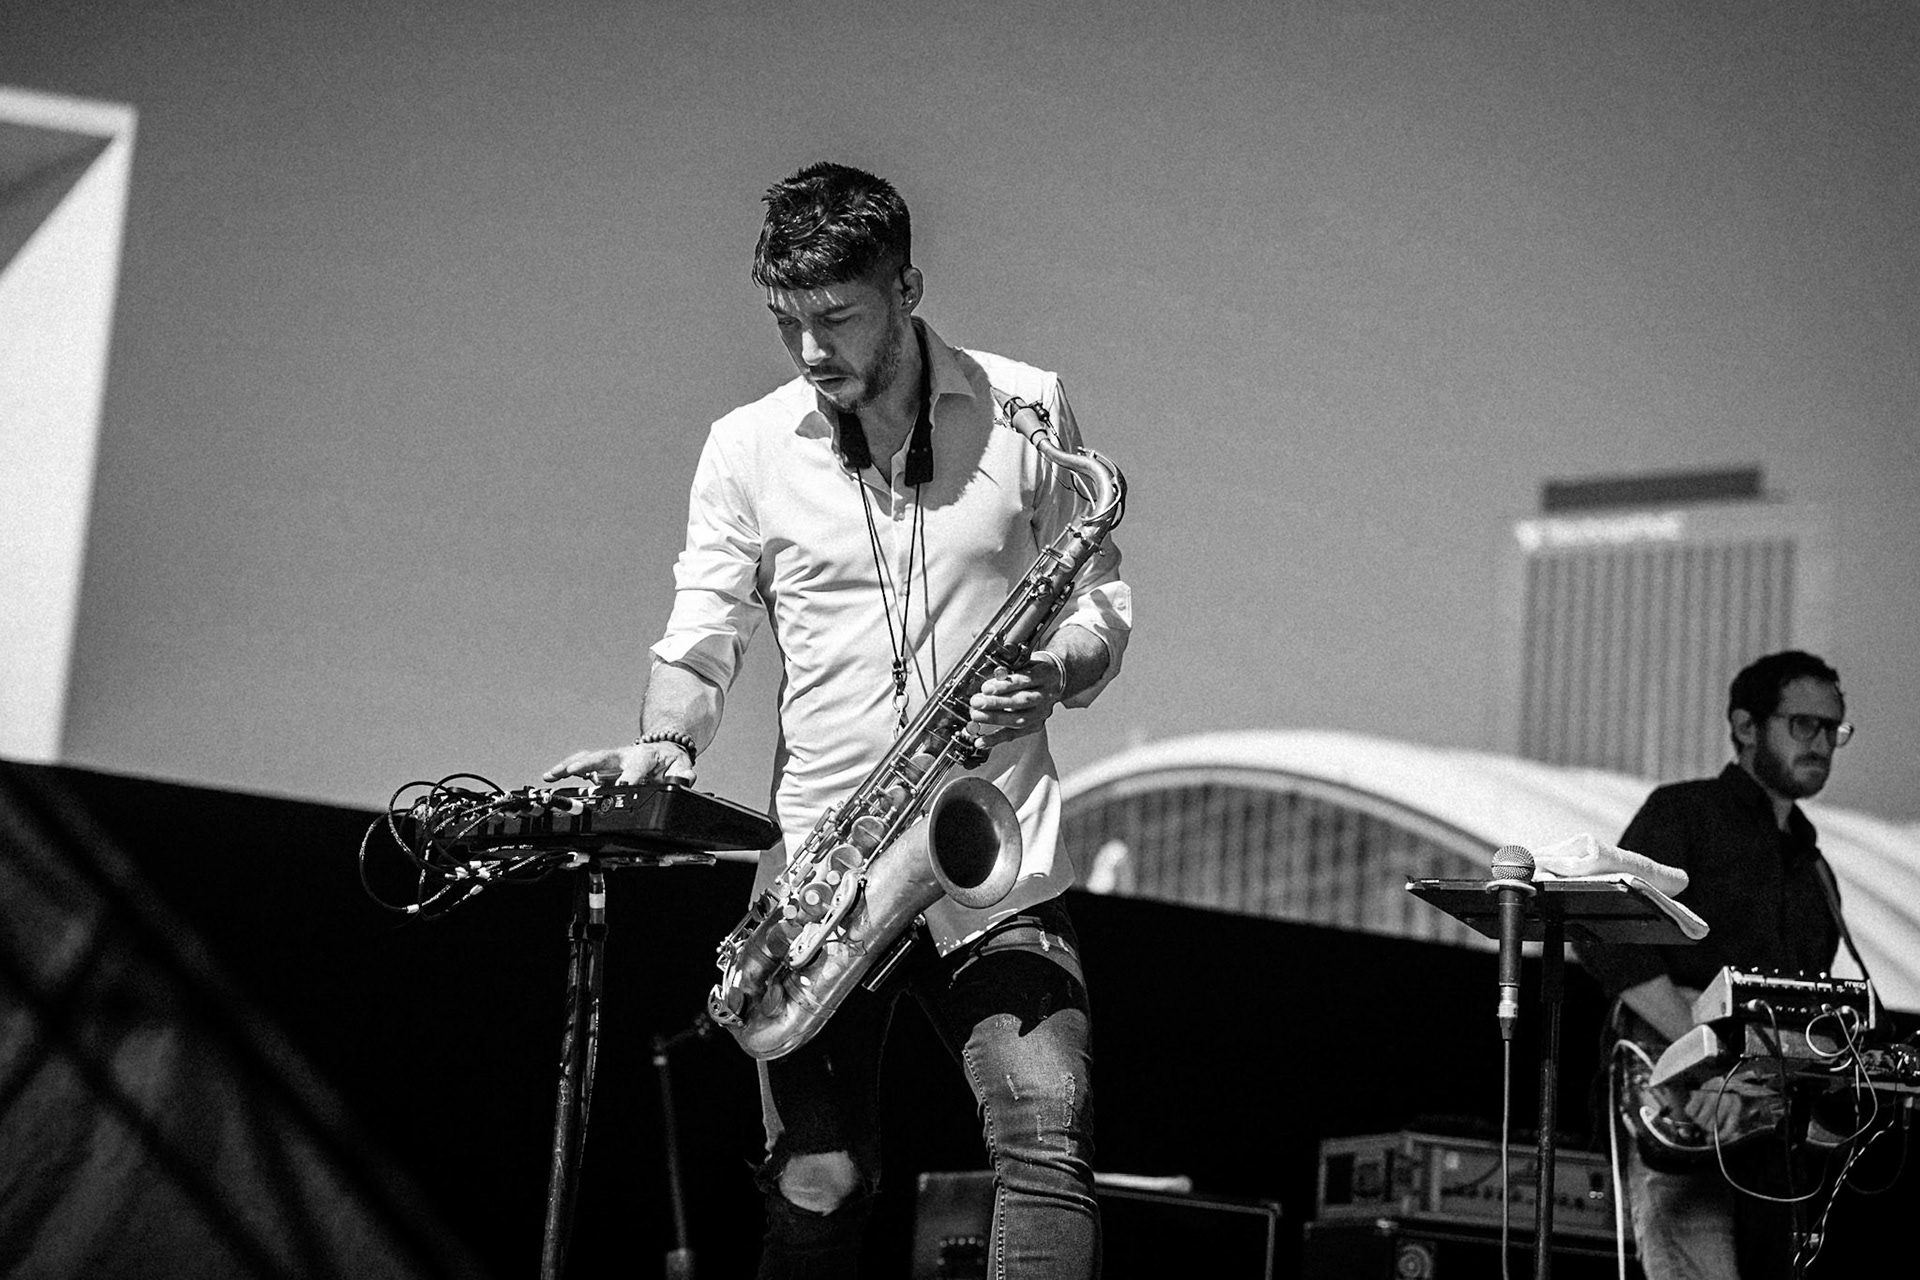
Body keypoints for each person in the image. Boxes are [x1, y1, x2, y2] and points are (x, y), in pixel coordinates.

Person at [544, 162, 1130, 1279]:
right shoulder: (746, 446)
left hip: (995, 857)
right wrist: (665, 744)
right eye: (787, 321)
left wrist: (1055, 668)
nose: (810, 350)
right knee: (820, 1181)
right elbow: (703, 631)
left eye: (837, 317)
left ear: (907, 287)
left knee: (1048, 1136)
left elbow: (1099, 600)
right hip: (825, 876)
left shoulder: (1027, 410)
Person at [1574, 650, 1854, 1280]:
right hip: (1683, 1107)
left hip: (1772, 1136)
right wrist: (1707, 1055)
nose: (1821, 743)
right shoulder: (1683, 812)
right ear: (1745, 726)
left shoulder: (1816, 871)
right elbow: (1606, 935)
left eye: (1832, 728)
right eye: (1803, 724)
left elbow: (1802, 1016)